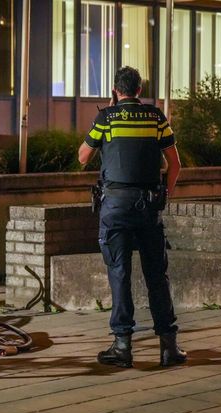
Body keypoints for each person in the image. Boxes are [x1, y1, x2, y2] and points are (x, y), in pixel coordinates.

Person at [78, 66, 186, 368]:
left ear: (116, 90)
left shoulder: (106, 119)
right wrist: (167, 193)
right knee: (156, 276)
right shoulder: (156, 117)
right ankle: (169, 346)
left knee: (119, 274)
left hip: (115, 206)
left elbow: (82, 157)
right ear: (140, 90)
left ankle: (123, 346)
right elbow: (175, 164)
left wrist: (107, 118)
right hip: (149, 205)